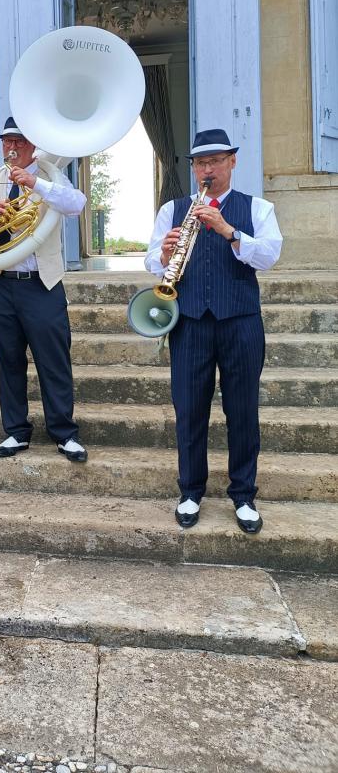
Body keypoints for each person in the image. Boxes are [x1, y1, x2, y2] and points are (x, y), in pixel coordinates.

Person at [144, 128, 283, 534]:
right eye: (200, 163)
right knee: (189, 411)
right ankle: (190, 491)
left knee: (242, 412)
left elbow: (270, 255)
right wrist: (165, 253)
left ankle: (243, 495)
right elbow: (154, 261)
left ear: (232, 162)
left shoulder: (257, 207)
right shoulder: (172, 210)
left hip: (240, 322)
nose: (208, 170)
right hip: (189, 323)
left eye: (216, 161)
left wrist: (229, 230)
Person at [0, 117, 88, 461]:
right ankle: (16, 432)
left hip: (42, 284)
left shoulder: (50, 178)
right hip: (3, 284)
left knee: (53, 361)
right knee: (9, 360)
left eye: (20, 142)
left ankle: (64, 432)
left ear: (34, 145)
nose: (12, 148)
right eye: (7, 142)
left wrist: (35, 184)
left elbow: (77, 204)